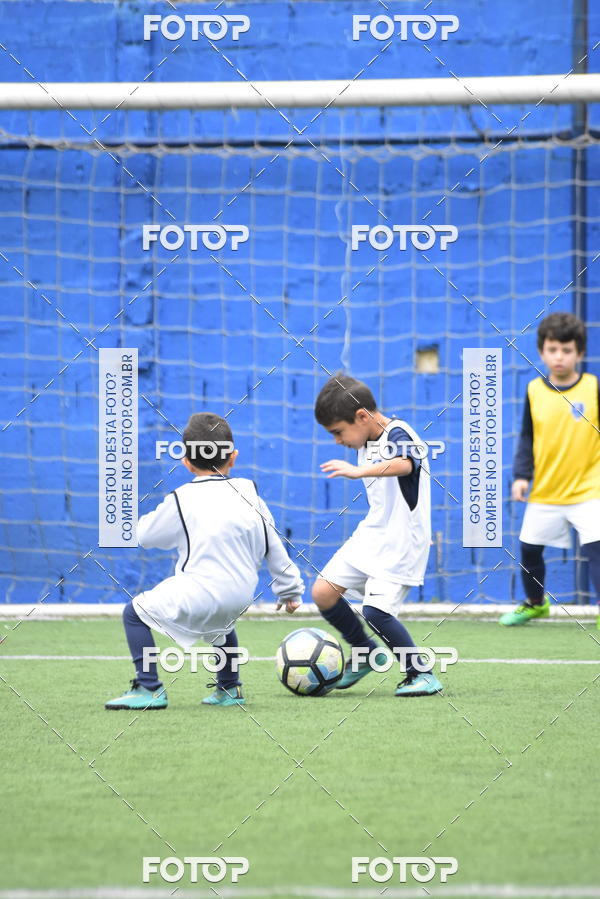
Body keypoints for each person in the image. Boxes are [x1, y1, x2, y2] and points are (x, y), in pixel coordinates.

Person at [106, 412, 304, 710]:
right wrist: (289, 590)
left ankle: (149, 688)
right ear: (233, 457)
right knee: (221, 627)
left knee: (135, 613)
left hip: (201, 591)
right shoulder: (251, 494)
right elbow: (273, 546)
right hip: (241, 595)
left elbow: (145, 536)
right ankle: (229, 687)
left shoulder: (182, 498)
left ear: (186, 462)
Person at [311, 373, 442, 696]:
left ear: (362, 417)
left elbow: (406, 464)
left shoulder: (399, 432)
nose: (337, 441)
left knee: (375, 612)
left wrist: (360, 471)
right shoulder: (365, 438)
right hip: (373, 533)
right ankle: (365, 651)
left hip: (402, 542)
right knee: (323, 592)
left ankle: (421, 673)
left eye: (338, 432)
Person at [500, 312, 600, 627]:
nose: (559, 357)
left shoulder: (593, 388)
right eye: (552, 349)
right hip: (546, 490)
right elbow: (527, 436)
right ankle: (535, 604)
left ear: (579, 353)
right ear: (542, 351)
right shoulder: (534, 390)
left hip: (589, 489)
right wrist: (521, 476)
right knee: (529, 549)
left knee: (597, 548)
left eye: (567, 350)